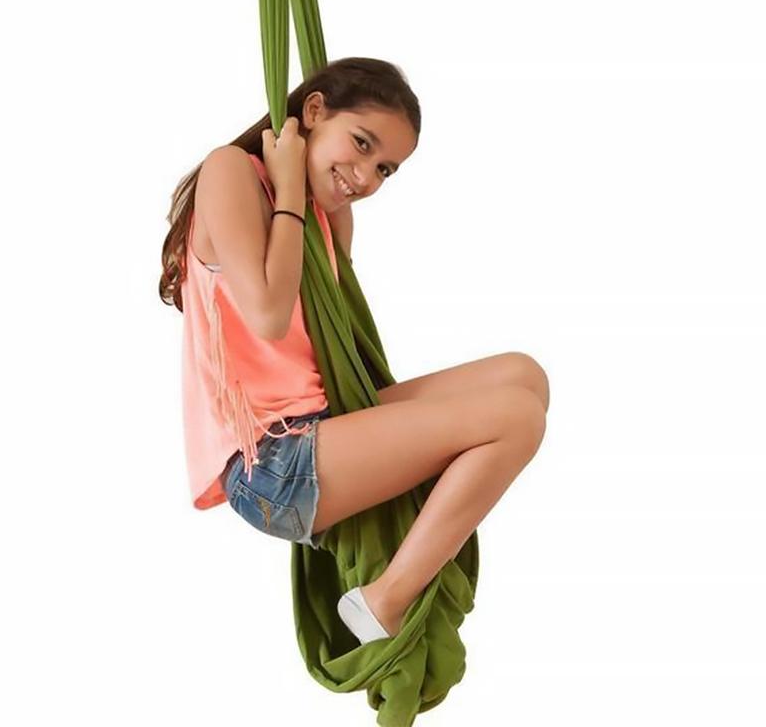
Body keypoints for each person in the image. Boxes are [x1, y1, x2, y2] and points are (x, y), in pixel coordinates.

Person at [159, 57, 549, 643]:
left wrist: (317, 208)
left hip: (324, 426)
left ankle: (416, 526)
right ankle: (384, 601)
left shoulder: (327, 215)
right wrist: (289, 189)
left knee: (524, 376)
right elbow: (267, 315)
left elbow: (332, 340)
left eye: (384, 169)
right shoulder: (231, 171)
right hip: (270, 463)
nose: (365, 177)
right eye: (362, 144)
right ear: (315, 111)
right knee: (515, 418)